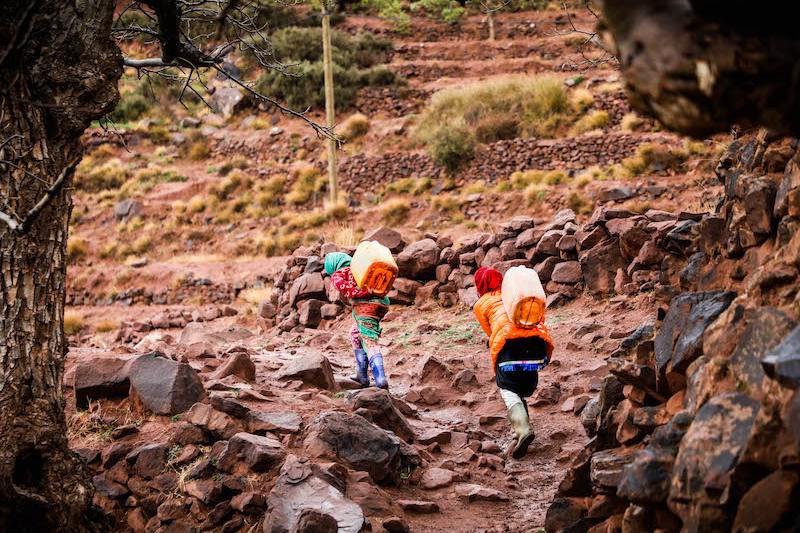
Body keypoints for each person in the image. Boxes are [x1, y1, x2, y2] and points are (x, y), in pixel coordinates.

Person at [472, 266, 554, 459]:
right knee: (520, 386)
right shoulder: (517, 295)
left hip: (510, 351)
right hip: (536, 348)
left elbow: (491, 332)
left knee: (507, 388)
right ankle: (522, 428)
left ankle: (523, 430)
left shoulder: (481, 304)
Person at [324, 252, 391, 389]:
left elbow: (351, 292)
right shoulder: (360, 268)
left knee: (368, 339)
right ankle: (362, 375)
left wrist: (364, 294)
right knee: (355, 333)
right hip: (383, 304)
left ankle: (380, 379)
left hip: (367, 307)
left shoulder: (338, 275)